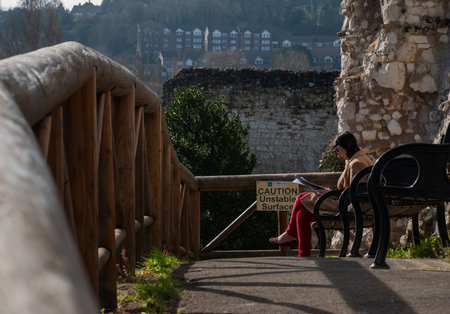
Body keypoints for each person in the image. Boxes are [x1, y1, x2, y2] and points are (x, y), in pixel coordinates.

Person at [269, 131, 373, 256]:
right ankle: (303, 254)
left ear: (341, 147)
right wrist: (331, 193)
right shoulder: (360, 159)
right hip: (350, 205)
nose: (338, 155)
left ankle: (290, 234)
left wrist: (332, 194)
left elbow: (354, 195)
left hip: (350, 208)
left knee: (302, 197)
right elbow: (353, 190)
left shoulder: (356, 163)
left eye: (337, 151)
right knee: (302, 215)